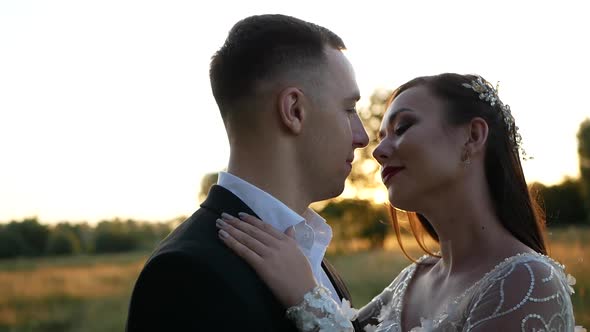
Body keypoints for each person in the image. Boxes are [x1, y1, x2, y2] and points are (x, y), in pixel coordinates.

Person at [215, 73, 580, 331]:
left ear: (473, 135)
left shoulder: (528, 282)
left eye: (402, 128)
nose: (379, 151)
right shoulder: (412, 279)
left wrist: (307, 297)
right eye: (381, 136)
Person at [125, 14, 369, 331]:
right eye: (349, 109)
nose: (362, 136)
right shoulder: (185, 273)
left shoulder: (308, 252)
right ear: (294, 110)